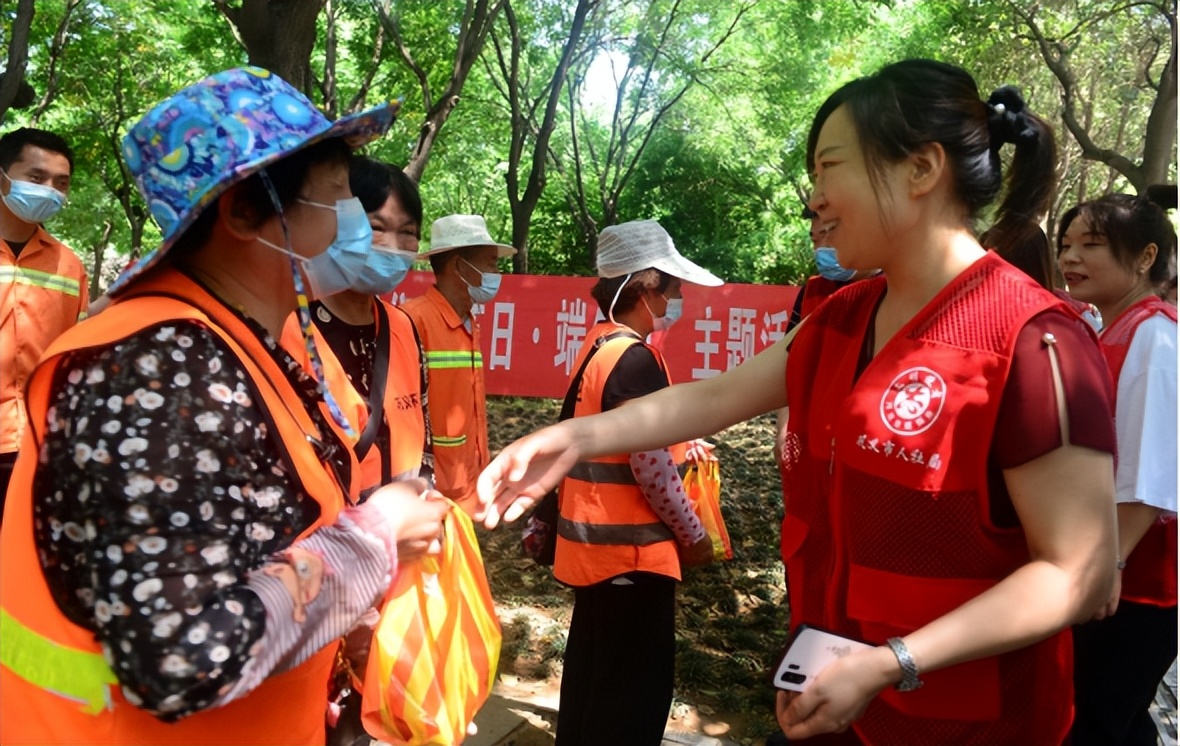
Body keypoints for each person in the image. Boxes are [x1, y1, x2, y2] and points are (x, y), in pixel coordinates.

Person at [477, 60, 1117, 745]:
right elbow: (716, 397)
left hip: (963, 721)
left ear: (921, 169)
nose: (813, 199)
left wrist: (895, 661)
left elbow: (1077, 571)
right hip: (828, 693)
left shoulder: (1034, 342)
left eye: (829, 167)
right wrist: (572, 439)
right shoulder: (841, 318)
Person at [0, 67, 449, 745]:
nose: (352, 221)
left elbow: (253, 539)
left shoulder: (244, 342)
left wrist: (342, 613)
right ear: (242, 212)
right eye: (336, 199)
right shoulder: (155, 369)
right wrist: (375, 539)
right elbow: (177, 658)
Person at [553, 219, 717, 746]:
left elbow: (621, 440)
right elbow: (649, 468)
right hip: (633, 558)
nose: (679, 297)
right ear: (646, 287)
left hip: (591, 556)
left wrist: (680, 443)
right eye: (673, 287)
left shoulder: (598, 347)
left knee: (591, 687)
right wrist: (693, 536)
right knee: (630, 703)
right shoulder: (636, 358)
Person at [1057, 186, 1178, 746]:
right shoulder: (1111, 328)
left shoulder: (1153, 337)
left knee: (1096, 722)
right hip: (1110, 569)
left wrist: (1114, 563)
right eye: (1066, 243)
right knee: (1116, 720)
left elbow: (1152, 473)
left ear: (1146, 257)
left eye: (1092, 244)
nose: (1070, 257)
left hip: (1136, 583)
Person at [401, 214, 515, 511]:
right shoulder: (412, 320)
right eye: (490, 263)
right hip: (431, 491)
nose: (496, 273)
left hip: (468, 484)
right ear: (458, 266)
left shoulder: (468, 323)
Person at [0, 127, 86, 517]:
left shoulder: (69, 266)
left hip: (40, 443)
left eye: (61, 183)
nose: (50, 190)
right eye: (36, 178)